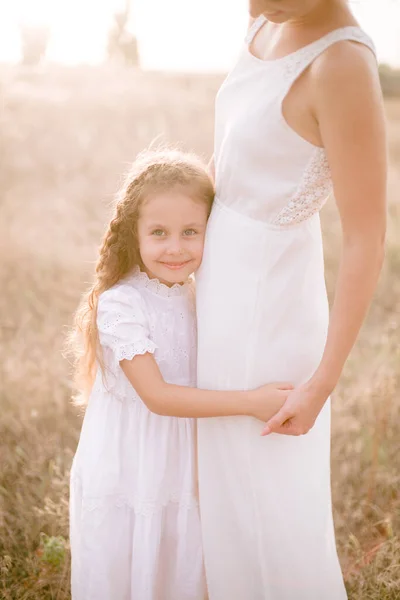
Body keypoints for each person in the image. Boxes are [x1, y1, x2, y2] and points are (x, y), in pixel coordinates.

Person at [196, 1, 387, 598]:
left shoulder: (342, 65)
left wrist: (320, 384)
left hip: (268, 309)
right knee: (221, 496)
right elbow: (230, 160)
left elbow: (366, 238)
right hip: (216, 289)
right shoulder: (264, 19)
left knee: (268, 509)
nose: (251, 3)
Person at [68, 149, 293, 600]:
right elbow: (159, 397)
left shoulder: (198, 295)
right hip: (134, 465)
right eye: (159, 233)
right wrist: (252, 402)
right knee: (133, 563)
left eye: (191, 231)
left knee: (180, 565)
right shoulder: (122, 303)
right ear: (134, 235)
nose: (175, 247)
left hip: (184, 461)